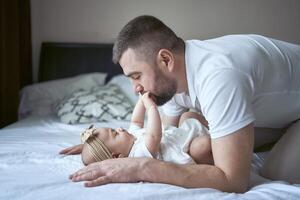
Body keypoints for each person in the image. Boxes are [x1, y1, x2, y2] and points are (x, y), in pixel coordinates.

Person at [68, 15, 300, 192]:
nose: (135, 89)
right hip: (279, 114)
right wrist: (100, 147)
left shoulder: (219, 76)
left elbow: (234, 181)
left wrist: (140, 166)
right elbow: (168, 139)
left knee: (271, 174)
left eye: (136, 76)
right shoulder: (175, 79)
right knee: (198, 126)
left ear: (165, 59)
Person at [75, 92, 212, 166]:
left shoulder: (131, 137)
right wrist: (151, 107)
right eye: (116, 134)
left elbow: (136, 120)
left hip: (184, 134)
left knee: (188, 115)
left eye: (115, 129)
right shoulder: (137, 155)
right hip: (188, 150)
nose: (120, 129)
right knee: (201, 146)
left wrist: (141, 99)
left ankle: (217, 128)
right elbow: (154, 136)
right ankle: (224, 145)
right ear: (117, 156)